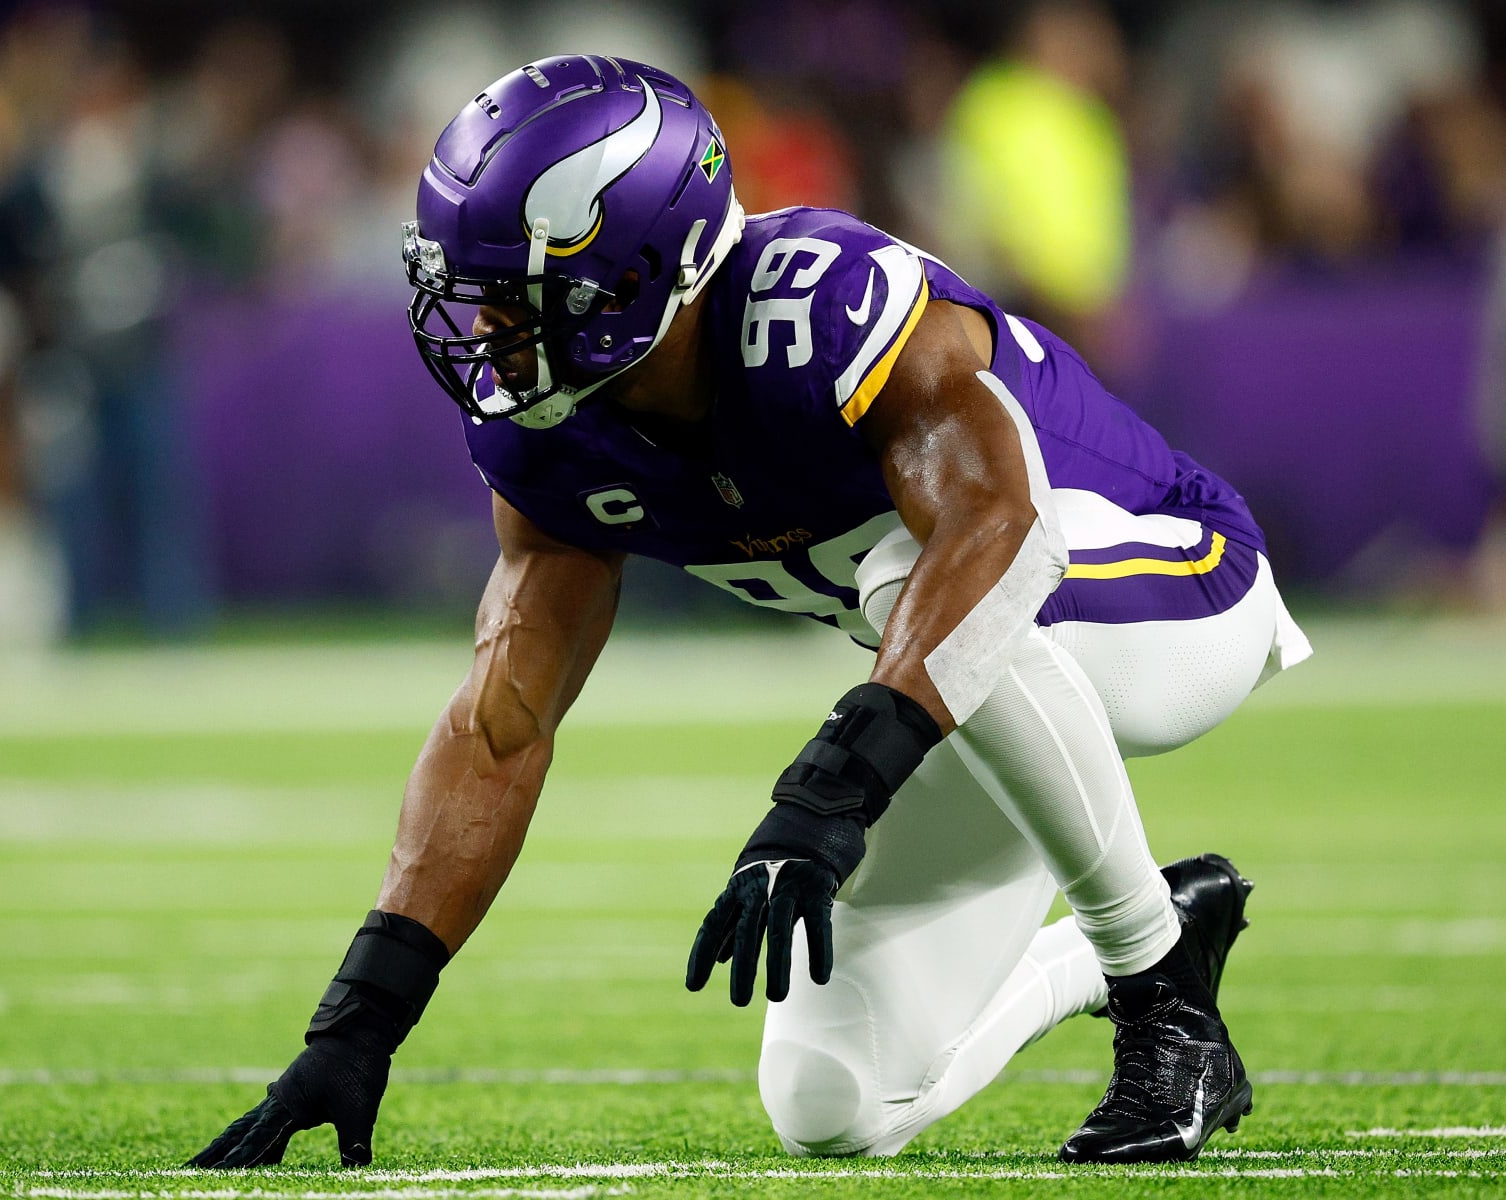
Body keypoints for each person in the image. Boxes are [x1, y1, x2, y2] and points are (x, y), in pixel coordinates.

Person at [187, 54, 1311, 1171]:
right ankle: (1159, 930)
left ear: (636, 278)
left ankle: (1167, 1013)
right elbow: (503, 725)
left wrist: (832, 789)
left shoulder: (819, 304)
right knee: (831, 1103)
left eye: (520, 301)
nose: (485, 336)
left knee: (905, 571)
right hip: (977, 693)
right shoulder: (553, 432)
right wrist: (360, 1020)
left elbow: (997, 538)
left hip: (1175, 588)